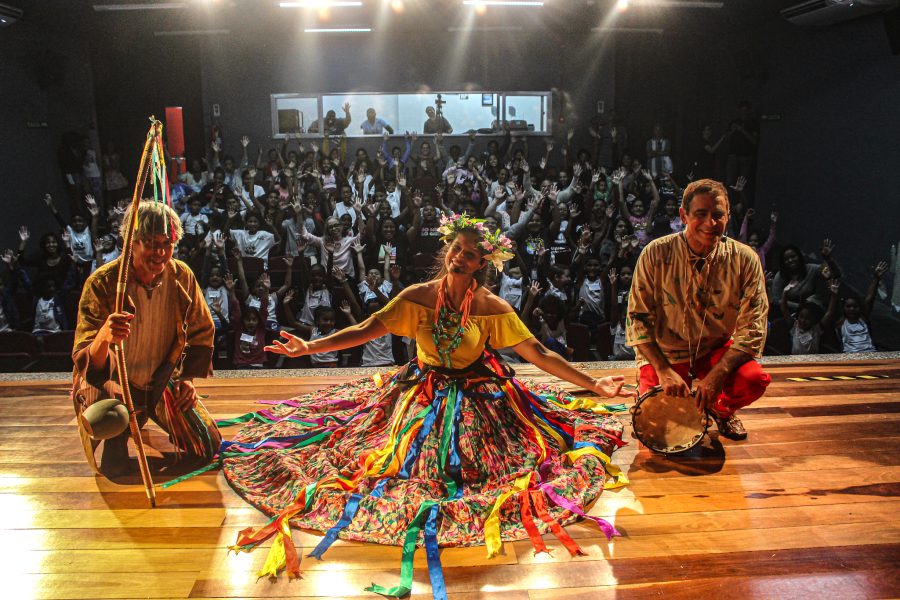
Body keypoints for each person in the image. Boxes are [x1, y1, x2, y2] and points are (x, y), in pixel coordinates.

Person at [222, 212, 633, 586]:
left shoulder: (492, 307)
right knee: (380, 457)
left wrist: (595, 386)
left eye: (470, 256)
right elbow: (367, 328)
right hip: (422, 390)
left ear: (481, 265)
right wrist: (308, 349)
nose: (460, 259)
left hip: (477, 396)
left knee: (482, 467)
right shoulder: (418, 297)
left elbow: (539, 354)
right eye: (456, 250)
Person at [71, 201, 220, 478]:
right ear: (131, 242)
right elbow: (84, 359)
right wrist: (104, 336)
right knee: (108, 421)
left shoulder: (181, 276)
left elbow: (202, 329)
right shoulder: (103, 283)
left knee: (207, 444)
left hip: (160, 378)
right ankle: (121, 429)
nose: (160, 253)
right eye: (151, 243)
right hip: (112, 382)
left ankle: (145, 414)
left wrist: (186, 378)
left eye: (168, 243)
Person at [626, 179, 771, 441]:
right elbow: (637, 319)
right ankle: (647, 390)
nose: (710, 223)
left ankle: (722, 412)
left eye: (717, 215)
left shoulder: (745, 258)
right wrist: (663, 369)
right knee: (654, 426)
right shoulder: (655, 253)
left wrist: (719, 374)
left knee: (753, 379)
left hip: (714, 350)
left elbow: (753, 326)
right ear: (684, 215)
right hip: (666, 352)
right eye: (700, 215)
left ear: (728, 216)